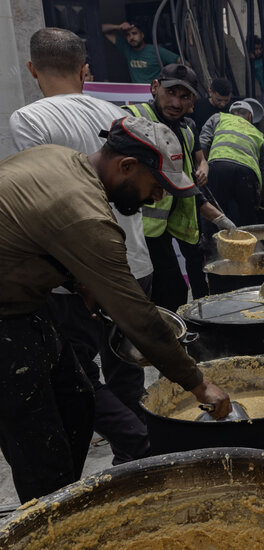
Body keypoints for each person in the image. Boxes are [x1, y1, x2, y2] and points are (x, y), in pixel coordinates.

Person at [0, 116, 232, 502]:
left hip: (23, 304)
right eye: (156, 185)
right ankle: (51, 520)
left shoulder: (61, 158)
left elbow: (26, 230)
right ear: (126, 166)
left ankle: (67, 500)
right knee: (39, 446)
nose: (157, 197)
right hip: (6, 320)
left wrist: (79, 281)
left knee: (77, 397)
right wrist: (198, 383)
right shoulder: (87, 213)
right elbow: (138, 315)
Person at [9, 27, 155, 465]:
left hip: (76, 276)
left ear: (32, 69)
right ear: (85, 70)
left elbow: (44, 207)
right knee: (126, 366)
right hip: (134, 261)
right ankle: (137, 456)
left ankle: (136, 447)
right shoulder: (118, 113)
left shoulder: (29, 119)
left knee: (75, 371)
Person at [123, 63, 234, 310]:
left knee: (174, 292)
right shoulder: (132, 119)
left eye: (184, 96)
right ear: (155, 87)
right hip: (134, 231)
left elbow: (184, 184)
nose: (176, 102)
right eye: (170, 92)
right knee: (145, 301)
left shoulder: (186, 130)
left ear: (192, 101)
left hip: (162, 229)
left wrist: (220, 220)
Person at [199, 101, 264, 226]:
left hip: (218, 167)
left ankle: (211, 243)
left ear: (230, 113)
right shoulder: (257, 133)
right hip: (247, 172)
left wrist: (204, 166)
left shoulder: (219, 117)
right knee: (246, 219)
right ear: (250, 116)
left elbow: (203, 143)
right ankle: (247, 244)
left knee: (214, 214)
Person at [101, 22, 179, 83]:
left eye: (134, 33)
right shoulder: (127, 48)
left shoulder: (154, 50)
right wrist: (118, 27)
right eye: (128, 35)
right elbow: (101, 29)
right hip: (137, 94)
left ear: (142, 35)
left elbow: (180, 61)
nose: (131, 37)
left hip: (154, 93)